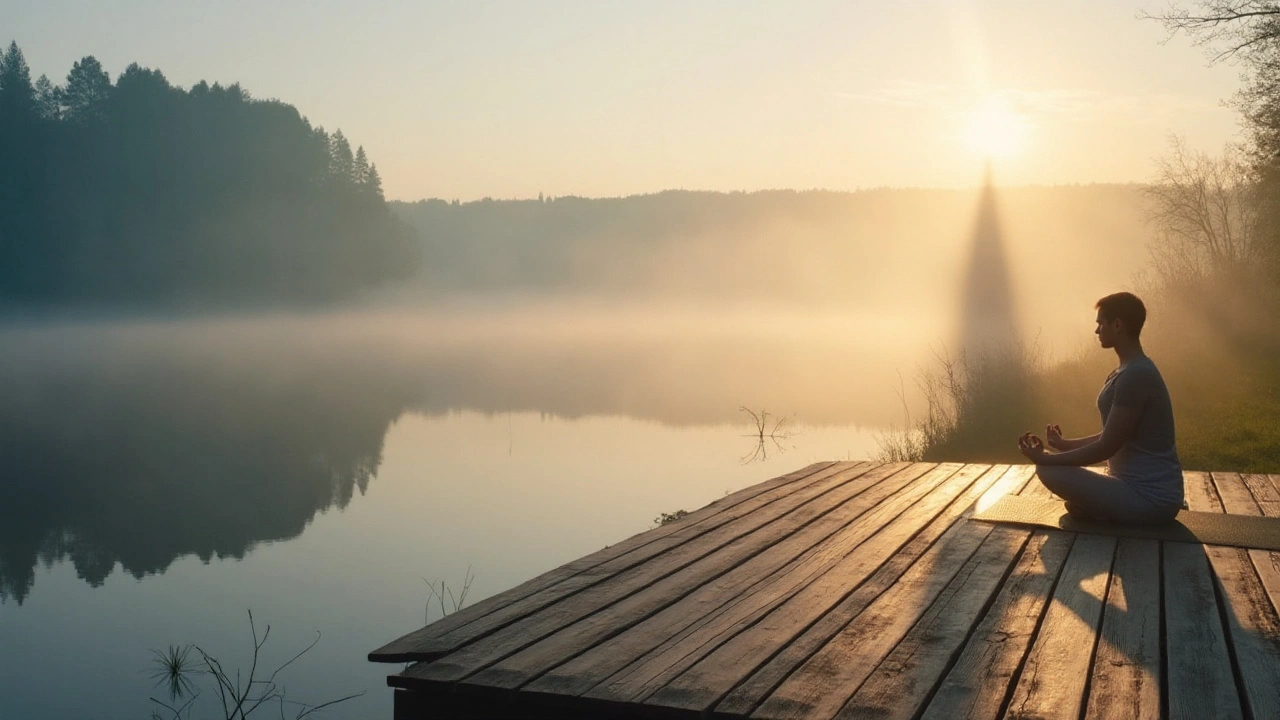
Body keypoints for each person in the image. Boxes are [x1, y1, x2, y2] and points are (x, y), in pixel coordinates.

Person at [1016, 292, 1183, 524]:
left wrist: (1044, 459)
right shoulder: (1126, 371)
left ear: (1117, 325)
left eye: (1100, 323)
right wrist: (1064, 445)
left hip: (1151, 498)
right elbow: (1112, 435)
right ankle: (1098, 506)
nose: (1097, 331)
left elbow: (1106, 448)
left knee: (1047, 471)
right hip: (1129, 487)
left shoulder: (1136, 375)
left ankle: (1099, 507)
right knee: (1050, 468)